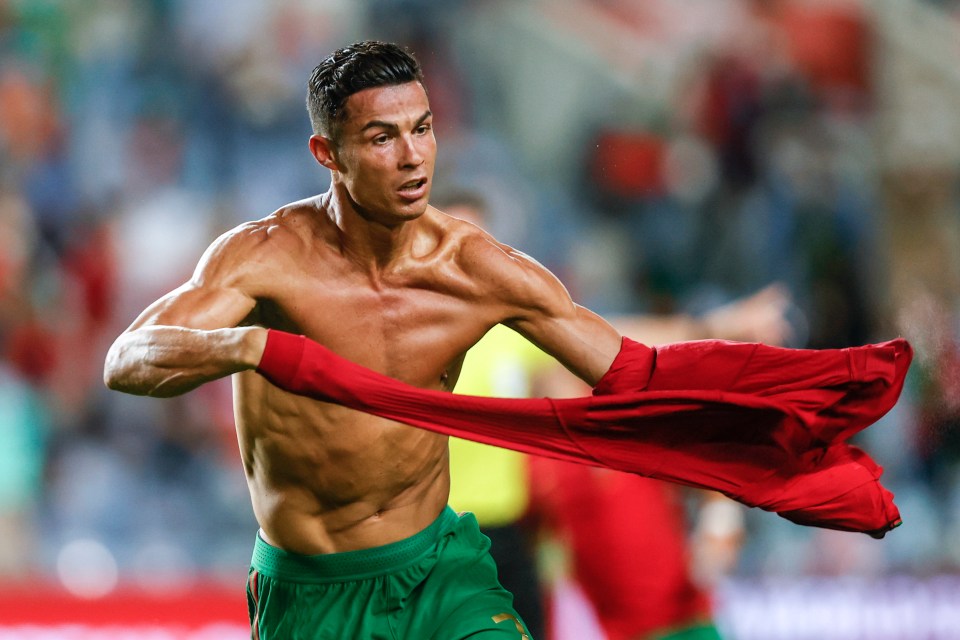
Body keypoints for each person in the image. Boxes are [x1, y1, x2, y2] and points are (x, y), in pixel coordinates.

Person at [103, 41, 907, 640]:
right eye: (382, 138)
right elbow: (127, 360)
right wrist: (245, 351)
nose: (413, 155)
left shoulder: (477, 270)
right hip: (311, 590)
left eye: (422, 129)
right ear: (328, 154)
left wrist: (784, 422)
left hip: (439, 568)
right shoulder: (264, 258)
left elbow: (631, 373)